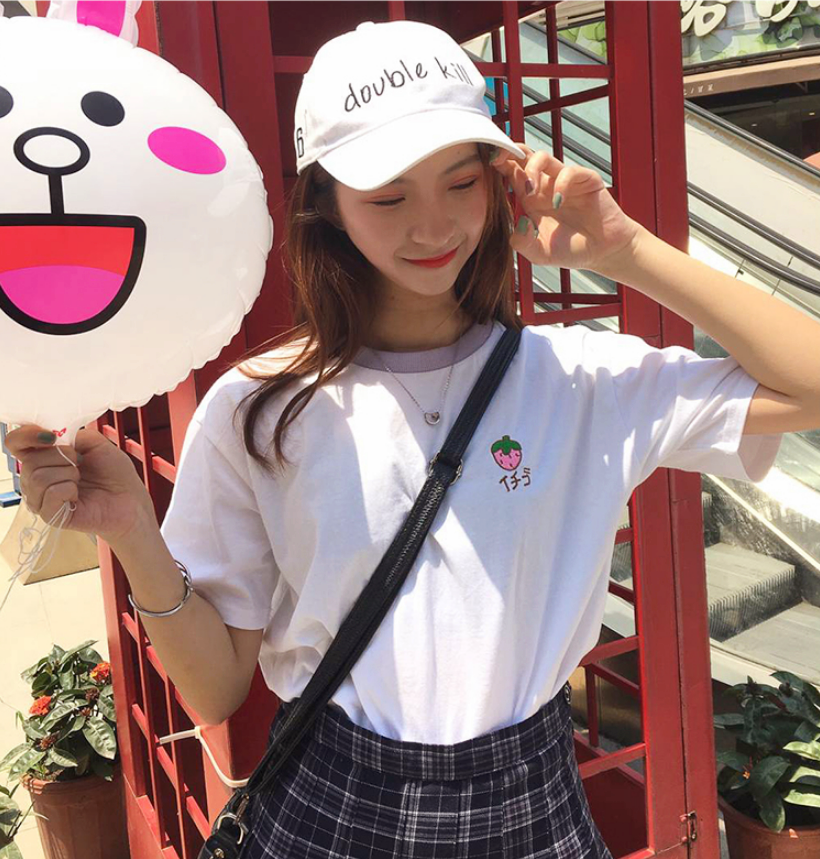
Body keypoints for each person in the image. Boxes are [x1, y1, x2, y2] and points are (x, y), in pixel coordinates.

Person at [8, 17, 808, 859]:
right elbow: (216, 687)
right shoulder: (260, 408)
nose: (433, 227)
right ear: (326, 203)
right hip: (330, 805)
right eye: (388, 197)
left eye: (461, 183)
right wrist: (134, 530)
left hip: (533, 804)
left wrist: (630, 250)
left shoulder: (582, 379)